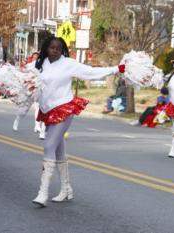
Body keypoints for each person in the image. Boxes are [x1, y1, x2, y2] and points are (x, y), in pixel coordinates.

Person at [31, 36, 125, 207]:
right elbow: (23, 77)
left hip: (64, 108)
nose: (55, 51)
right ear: (46, 48)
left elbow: (90, 72)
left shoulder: (68, 64)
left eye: (58, 48)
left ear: (62, 50)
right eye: (52, 47)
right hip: (47, 110)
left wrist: (116, 69)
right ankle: (66, 189)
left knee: (49, 146)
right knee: (58, 152)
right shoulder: (39, 64)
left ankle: (42, 193)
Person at [12, 52, 46, 139]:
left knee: (41, 108)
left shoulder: (45, 65)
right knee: (23, 110)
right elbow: (22, 71)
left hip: (40, 90)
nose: (36, 59)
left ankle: (38, 127)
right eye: (34, 57)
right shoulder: (31, 65)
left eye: (37, 57)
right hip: (29, 90)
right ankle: (17, 120)